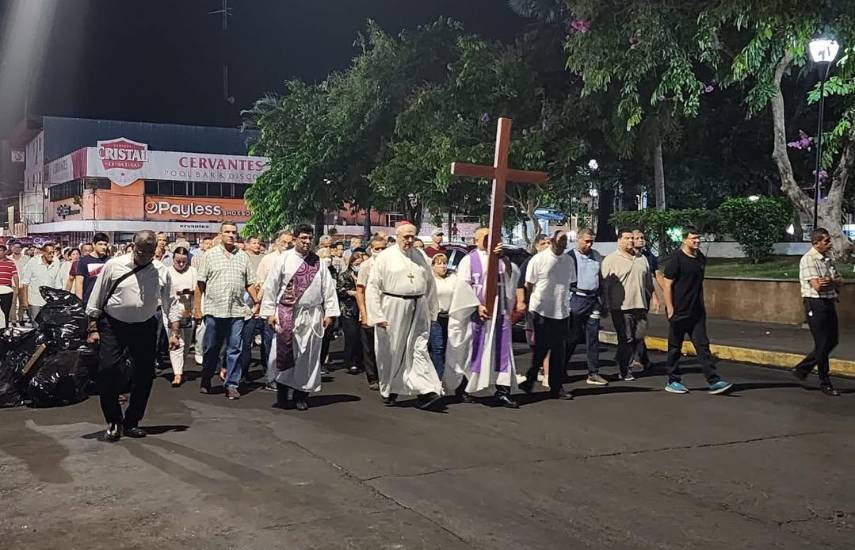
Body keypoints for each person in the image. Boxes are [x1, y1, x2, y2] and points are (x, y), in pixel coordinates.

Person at [86, 230, 181, 442]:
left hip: (145, 326)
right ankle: (113, 420)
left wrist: (174, 332)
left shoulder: (160, 271)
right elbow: (97, 296)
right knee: (108, 370)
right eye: (141, 251)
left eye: (149, 251)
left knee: (145, 375)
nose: (145, 255)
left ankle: (132, 422)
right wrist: (92, 327)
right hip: (113, 324)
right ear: (132, 245)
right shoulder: (114, 265)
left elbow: (171, 303)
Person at [262, 223, 340, 411]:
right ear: (295, 239)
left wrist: (330, 312)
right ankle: (282, 393)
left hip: (312, 315)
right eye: (303, 238)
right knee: (285, 353)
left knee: (308, 356)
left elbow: (328, 289)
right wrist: (269, 312)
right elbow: (271, 287)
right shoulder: (283, 260)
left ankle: (301, 395)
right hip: (287, 313)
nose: (306, 242)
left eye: (309, 238)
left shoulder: (318, 263)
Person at [366, 223, 443, 410]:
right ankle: (389, 389)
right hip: (393, 306)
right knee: (392, 349)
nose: (409, 240)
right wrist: (377, 316)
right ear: (397, 236)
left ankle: (426, 390)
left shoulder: (421, 256)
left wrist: (433, 312)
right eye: (405, 237)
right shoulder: (385, 257)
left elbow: (430, 285)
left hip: (418, 306)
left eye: (412, 236)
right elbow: (373, 287)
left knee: (418, 348)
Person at [445, 228, 520, 408]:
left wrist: (504, 259)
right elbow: (463, 286)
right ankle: (465, 388)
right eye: (485, 238)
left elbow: (512, 277)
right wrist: (476, 305)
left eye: (493, 237)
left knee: (501, 352)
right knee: (472, 349)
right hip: (477, 313)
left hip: (499, 312)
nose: (489, 241)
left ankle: (503, 391)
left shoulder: (501, 258)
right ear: (476, 240)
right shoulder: (469, 260)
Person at [661, 226, 733, 395]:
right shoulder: (676, 259)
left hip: (697, 311)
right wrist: (670, 308)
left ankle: (714, 380)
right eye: (693, 238)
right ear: (684, 239)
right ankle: (673, 380)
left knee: (702, 346)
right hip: (679, 310)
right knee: (674, 347)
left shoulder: (700, 258)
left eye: (698, 238)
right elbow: (667, 284)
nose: (697, 241)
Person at [197, 222, 259, 399]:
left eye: (234, 232)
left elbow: (250, 283)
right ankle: (206, 378)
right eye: (227, 232)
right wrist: (197, 309)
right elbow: (200, 284)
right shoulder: (209, 255)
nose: (231, 235)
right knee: (211, 349)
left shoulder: (243, 257)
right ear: (221, 234)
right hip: (214, 311)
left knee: (234, 349)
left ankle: (232, 384)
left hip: (236, 311)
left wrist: (257, 301)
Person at [792, 228, 844, 396]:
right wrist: (830, 282)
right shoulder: (808, 259)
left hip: (829, 302)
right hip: (815, 304)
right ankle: (825, 381)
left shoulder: (828, 259)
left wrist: (831, 282)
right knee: (822, 343)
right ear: (816, 243)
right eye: (826, 241)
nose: (829, 244)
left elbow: (840, 280)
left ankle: (802, 368)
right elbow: (818, 286)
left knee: (833, 340)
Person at [522, 230, 573, 399]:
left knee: (559, 351)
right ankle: (531, 377)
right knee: (542, 348)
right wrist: (530, 306)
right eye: (560, 240)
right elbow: (528, 285)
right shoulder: (539, 260)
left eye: (565, 240)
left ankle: (556, 387)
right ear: (551, 241)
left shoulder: (568, 261)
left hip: (562, 311)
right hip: (541, 310)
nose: (563, 244)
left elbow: (570, 283)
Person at [601, 229, 653, 381]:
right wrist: (604, 304)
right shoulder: (611, 260)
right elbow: (604, 284)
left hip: (640, 305)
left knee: (639, 336)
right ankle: (624, 369)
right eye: (627, 238)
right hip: (621, 307)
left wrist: (654, 298)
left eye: (632, 238)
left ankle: (624, 360)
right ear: (619, 240)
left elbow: (648, 282)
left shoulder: (642, 258)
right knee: (626, 339)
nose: (631, 241)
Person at [564, 229, 607, 385]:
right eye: (586, 241)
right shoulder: (570, 257)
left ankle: (593, 372)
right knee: (572, 337)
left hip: (593, 299)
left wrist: (603, 300)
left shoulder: (596, 256)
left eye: (591, 241)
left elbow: (600, 278)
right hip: (576, 299)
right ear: (578, 240)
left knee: (593, 337)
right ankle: (560, 368)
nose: (589, 244)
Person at [515, 234, 550, 384]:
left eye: (549, 242)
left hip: (552, 308)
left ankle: (547, 372)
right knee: (535, 340)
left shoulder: (555, 262)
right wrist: (521, 301)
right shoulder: (530, 262)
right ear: (536, 246)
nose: (547, 246)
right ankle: (539, 368)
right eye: (543, 243)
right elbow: (520, 284)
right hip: (534, 307)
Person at [355, 236, 387, 391]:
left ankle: (385, 375)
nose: (380, 251)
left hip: (386, 311)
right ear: (371, 249)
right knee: (369, 346)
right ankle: (372, 376)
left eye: (383, 248)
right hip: (369, 310)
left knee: (385, 345)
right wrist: (364, 314)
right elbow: (360, 291)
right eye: (377, 249)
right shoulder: (366, 266)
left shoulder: (390, 264)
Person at [166, 246, 201, 387]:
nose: (181, 264)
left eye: (183, 261)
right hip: (172, 311)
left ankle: (180, 367)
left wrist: (191, 297)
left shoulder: (192, 271)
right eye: (178, 261)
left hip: (188, 310)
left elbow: (197, 291)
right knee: (176, 342)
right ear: (173, 259)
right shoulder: (167, 272)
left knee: (185, 343)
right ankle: (177, 374)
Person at [631, 230, 662, 370]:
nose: (640, 240)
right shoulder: (627, 256)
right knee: (630, 331)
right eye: (637, 238)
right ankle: (635, 359)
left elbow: (653, 277)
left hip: (644, 297)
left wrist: (656, 297)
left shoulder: (649, 257)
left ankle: (640, 358)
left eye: (642, 238)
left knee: (640, 329)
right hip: (630, 299)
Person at [239, 234, 267, 384]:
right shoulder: (242, 257)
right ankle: (238, 370)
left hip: (259, 301)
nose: (257, 245)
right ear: (247, 244)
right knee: (241, 341)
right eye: (254, 242)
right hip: (244, 302)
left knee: (255, 340)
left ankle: (252, 369)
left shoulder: (264, 258)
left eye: (259, 243)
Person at [20, 243, 64, 325]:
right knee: (37, 325)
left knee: (48, 325)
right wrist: (25, 301)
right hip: (34, 300)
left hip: (49, 301)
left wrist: (58, 300)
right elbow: (25, 283)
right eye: (49, 253)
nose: (51, 255)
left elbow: (57, 282)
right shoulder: (33, 262)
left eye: (53, 252)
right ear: (43, 252)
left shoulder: (56, 261)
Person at [427, 253, 455, 380]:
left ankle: (449, 376)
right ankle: (438, 377)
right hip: (435, 318)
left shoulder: (453, 278)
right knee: (438, 347)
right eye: (438, 264)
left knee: (450, 348)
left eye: (444, 263)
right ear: (433, 266)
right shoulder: (431, 280)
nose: (442, 266)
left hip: (450, 316)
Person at [337, 251, 365, 375]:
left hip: (363, 308)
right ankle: (351, 362)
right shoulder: (344, 275)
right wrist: (350, 292)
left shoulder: (366, 275)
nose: (358, 266)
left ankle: (360, 361)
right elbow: (339, 290)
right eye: (356, 263)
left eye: (361, 263)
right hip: (349, 308)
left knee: (361, 336)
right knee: (352, 335)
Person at [75, 232, 110, 305]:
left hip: (105, 303)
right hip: (88, 302)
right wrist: (79, 303)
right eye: (100, 244)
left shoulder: (109, 261)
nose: (103, 247)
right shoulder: (84, 261)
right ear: (94, 245)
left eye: (105, 244)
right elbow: (79, 283)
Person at [10, 242, 30, 325]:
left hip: (24, 283)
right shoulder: (9, 259)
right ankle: (13, 321)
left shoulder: (27, 258)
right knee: (12, 303)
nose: (17, 249)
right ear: (12, 248)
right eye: (15, 247)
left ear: (21, 249)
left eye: (19, 247)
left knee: (23, 303)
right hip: (12, 284)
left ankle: (21, 318)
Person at [0, 245, 19, 327]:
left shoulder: (10, 263)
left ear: (5, 252)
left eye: (1, 250)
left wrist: (17, 289)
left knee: (5, 311)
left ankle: (5, 328)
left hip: (6, 290)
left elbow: (15, 276)